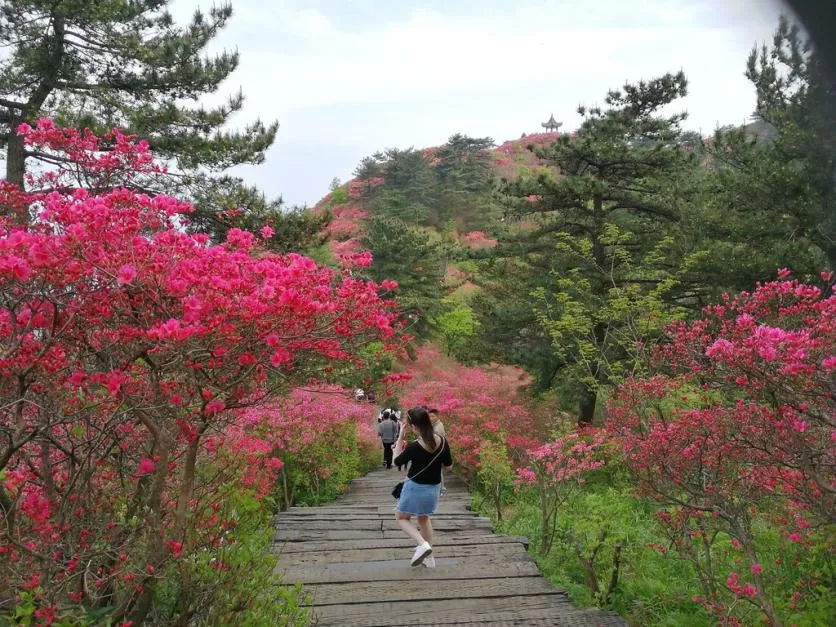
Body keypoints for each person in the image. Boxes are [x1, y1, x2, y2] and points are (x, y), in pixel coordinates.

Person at [393, 407, 453, 568]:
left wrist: (400, 437)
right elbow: (448, 466)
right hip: (433, 488)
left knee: (402, 518)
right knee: (424, 519)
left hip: (414, 487)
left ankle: (422, 544)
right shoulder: (442, 441)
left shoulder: (415, 447)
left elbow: (396, 461)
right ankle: (429, 558)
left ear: (413, 426)